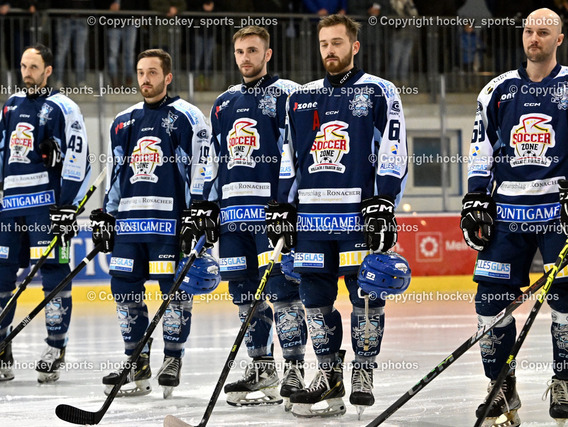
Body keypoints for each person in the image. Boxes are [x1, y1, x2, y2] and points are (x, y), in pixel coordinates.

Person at [266, 14, 407, 418]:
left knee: (366, 296)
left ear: (354, 46)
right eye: (324, 43)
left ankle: (363, 371)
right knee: (314, 301)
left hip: (357, 218)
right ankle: (329, 376)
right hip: (312, 220)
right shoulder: (300, 98)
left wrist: (385, 201)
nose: (330, 50)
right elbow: (289, 156)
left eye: (337, 43)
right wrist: (283, 205)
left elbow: (393, 149)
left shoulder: (379, 91)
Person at [461, 7, 568, 425]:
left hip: (559, 214)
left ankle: (565, 381)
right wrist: (475, 197)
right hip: (507, 212)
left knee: (566, 298)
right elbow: (481, 147)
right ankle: (502, 388)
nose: (533, 38)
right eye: (528, 31)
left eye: (543, 31)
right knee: (489, 300)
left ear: (559, 39)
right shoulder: (498, 89)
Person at [194, 25, 309, 410]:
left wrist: (288, 205)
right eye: (240, 51)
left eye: (253, 50)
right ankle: (262, 367)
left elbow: (298, 153)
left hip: (269, 216)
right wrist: (207, 203)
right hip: (232, 217)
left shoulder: (288, 94)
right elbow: (214, 160)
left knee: (282, 293)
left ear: (267, 54)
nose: (245, 58)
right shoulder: (223, 103)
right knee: (244, 297)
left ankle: (294, 369)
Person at [0, 43, 91, 384]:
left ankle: (55, 349)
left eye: (33, 67)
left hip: (46, 207)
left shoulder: (64, 108)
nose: (26, 73)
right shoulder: (12, 105)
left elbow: (80, 158)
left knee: (54, 275)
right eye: (23, 66)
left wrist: (67, 205)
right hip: (11, 205)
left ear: (48, 70)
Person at [90, 48, 210, 398]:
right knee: (123, 289)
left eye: (153, 72)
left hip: (168, 225)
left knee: (173, 291)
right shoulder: (123, 121)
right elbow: (115, 172)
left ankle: (172, 358)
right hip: (129, 225)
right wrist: (107, 213)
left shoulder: (187, 116)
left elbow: (202, 167)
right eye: (141, 72)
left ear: (167, 77)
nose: (145, 79)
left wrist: (197, 212)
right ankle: (136, 360)